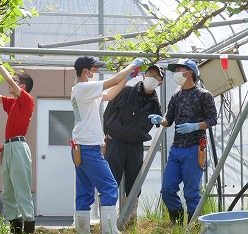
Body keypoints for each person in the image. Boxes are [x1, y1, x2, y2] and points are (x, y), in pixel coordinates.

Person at [71, 56, 144, 234]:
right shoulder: (83, 88)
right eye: (94, 69)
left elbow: (110, 94)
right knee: (110, 187)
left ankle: (83, 231)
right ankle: (110, 230)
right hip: (88, 148)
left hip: (80, 146)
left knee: (85, 192)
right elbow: (113, 80)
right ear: (85, 70)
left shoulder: (82, 91)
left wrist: (127, 78)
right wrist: (132, 65)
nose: (96, 72)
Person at [148, 59, 217, 225]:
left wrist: (194, 126)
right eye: (175, 70)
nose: (176, 73)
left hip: (195, 148)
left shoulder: (204, 95)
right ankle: (178, 223)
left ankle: (193, 226)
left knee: (191, 191)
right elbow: (168, 120)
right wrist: (159, 119)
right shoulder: (176, 96)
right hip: (176, 149)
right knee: (167, 189)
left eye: (179, 70)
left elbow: (212, 119)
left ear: (189, 72)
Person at [103, 64, 164, 227]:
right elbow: (107, 113)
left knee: (134, 183)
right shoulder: (126, 91)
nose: (152, 78)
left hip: (135, 146)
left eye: (156, 77)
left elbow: (160, 122)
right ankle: (107, 222)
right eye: (149, 74)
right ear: (143, 76)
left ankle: (129, 222)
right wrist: (106, 136)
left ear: (160, 82)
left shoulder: (154, 104)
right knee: (110, 182)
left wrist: (160, 120)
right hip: (115, 142)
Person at [0, 59, 35, 234]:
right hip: (9, 147)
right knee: (8, 193)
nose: (11, 83)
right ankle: (15, 230)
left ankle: (28, 227)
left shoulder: (26, 100)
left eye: (16, 81)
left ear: (23, 86)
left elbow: (9, 81)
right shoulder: (12, 103)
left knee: (22, 190)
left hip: (18, 147)